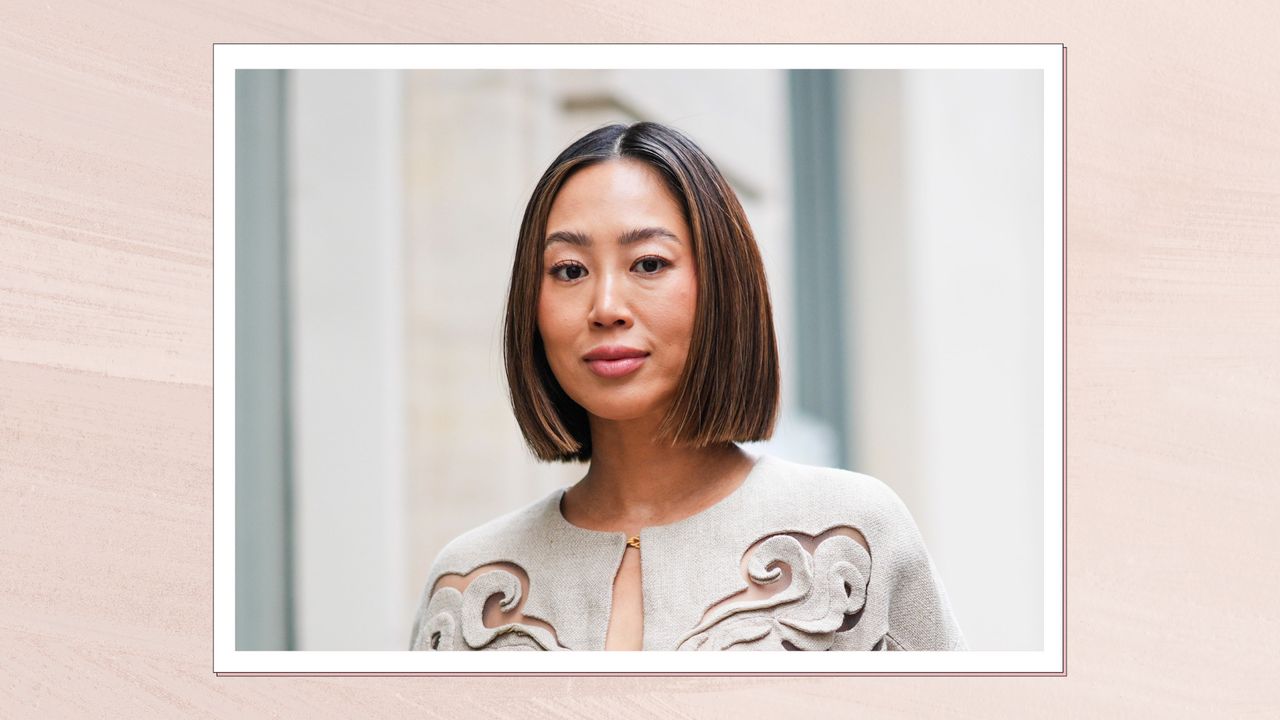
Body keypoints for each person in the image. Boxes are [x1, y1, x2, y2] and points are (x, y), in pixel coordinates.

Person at [409, 121, 966, 652]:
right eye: (570, 270)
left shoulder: (852, 533)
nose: (606, 307)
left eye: (649, 263)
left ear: (721, 285)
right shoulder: (464, 589)